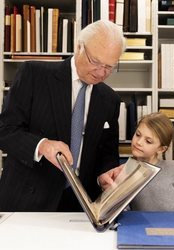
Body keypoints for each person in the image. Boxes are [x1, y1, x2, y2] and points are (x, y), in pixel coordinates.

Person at [0, 20, 126, 212]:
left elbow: (106, 152)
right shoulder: (34, 75)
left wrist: (105, 175)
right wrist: (42, 145)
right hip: (27, 200)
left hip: (81, 205)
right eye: (95, 62)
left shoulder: (110, 99)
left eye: (109, 67)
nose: (101, 73)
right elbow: (5, 131)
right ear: (78, 47)